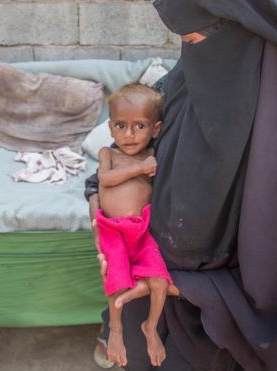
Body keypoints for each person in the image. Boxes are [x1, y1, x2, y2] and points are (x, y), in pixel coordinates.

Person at [88, 1, 277, 370]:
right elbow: (117, 158)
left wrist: (178, 285)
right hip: (146, 286)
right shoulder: (181, 85)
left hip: (213, 332)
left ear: (246, 35)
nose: (189, 53)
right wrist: (99, 214)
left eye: (192, 37)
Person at [95, 83, 173, 368]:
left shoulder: (155, 156)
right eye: (121, 125)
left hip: (141, 230)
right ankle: (115, 330)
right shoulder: (109, 154)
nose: (129, 134)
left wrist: (149, 167)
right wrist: (140, 169)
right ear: (110, 127)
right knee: (115, 277)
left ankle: (150, 326)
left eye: (139, 126)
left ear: (155, 129)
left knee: (159, 279)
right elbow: (105, 180)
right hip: (113, 229)